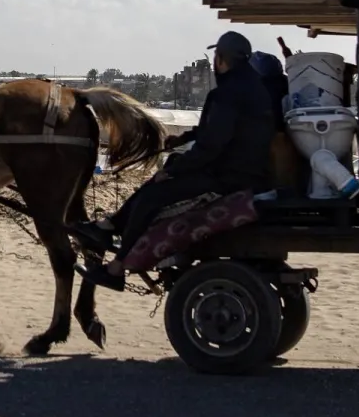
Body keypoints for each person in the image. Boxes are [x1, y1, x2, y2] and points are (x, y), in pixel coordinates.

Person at [72, 31, 274, 290]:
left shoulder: (226, 94)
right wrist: (182, 140)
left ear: (222, 59)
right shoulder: (252, 88)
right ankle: (109, 225)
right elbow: (218, 132)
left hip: (227, 177)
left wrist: (177, 169)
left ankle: (117, 266)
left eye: (216, 56)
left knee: (152, 197)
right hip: (244, 170)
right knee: (158, 182)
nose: (214, 62)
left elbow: (211, 146)